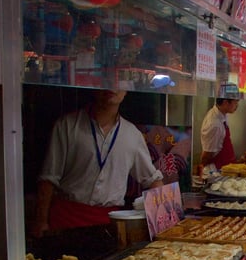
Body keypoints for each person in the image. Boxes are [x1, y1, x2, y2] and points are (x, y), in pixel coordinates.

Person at [32, 89, 164, 237]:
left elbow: (153, 180)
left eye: (119, 82)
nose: (112, 87)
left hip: (109, 223)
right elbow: (48, 179)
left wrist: (163, 221)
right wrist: (41, 221)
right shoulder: (67, 125)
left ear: (126, 90)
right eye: (106, 81)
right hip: (66, 219)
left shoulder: (132, 134)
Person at [200, 97, 241, 171]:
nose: (237, 105)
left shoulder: (222, 113)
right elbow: (208, 153)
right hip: (217, 169)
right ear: (225, 103)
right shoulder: (214, 124)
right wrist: (201, 167)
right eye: (235, 102)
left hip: (227, 166)